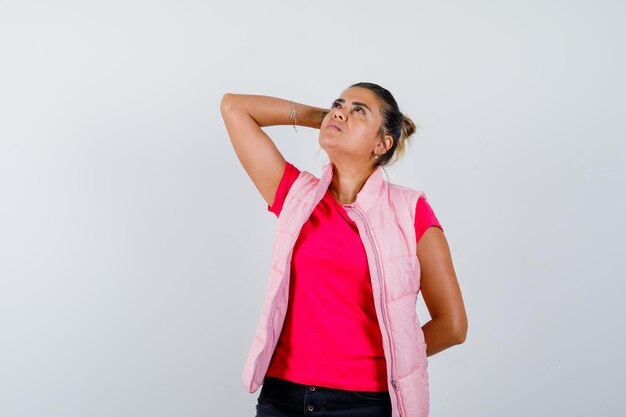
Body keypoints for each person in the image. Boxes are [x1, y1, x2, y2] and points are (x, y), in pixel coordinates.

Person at [220, 82, 467, 417]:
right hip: (282, 396)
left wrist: (393, 357)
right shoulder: (297, 195)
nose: (341, 111)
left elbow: (452, 325)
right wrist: (325, 118)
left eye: (358, 111)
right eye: (338, 103)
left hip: (363, 402)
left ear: (382, 144)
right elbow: (234, 107)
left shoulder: (410, 212)